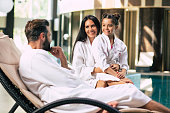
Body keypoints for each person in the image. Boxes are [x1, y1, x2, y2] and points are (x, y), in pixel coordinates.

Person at [19, 19, 170, 113]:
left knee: (123, 93)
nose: (51, 39)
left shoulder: (33, 56)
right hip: (66, 99)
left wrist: (63, 60)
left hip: (69, 95)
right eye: (50, 35)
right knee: (129, 90)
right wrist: (91, 89)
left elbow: (62, 76)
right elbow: (67, 79)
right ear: (42, 36)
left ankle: (103, 107)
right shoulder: (34, 57)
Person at [72, 15, 132, 88]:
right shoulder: (80, 45)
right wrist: (100, 69)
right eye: (87, 27)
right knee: (104, 83)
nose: (90, 29)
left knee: (109, 83)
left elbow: (112, 61)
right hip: (87, 79)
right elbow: (77, 70)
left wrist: (117, 66)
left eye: (93, 26)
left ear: (98, 27)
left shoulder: (104, 42)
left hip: (106, 75)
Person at [92, 13, 128, 79]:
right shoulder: (98, 41)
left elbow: (124, 65)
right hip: (101, 74)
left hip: (116, 75)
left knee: (129, 85)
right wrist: (118, 76)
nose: (106, 28)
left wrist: (122, 71)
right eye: (104, 25)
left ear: (116, 27)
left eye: (110, 25)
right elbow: (103, 65)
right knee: (126, 85)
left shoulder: (121, 45)